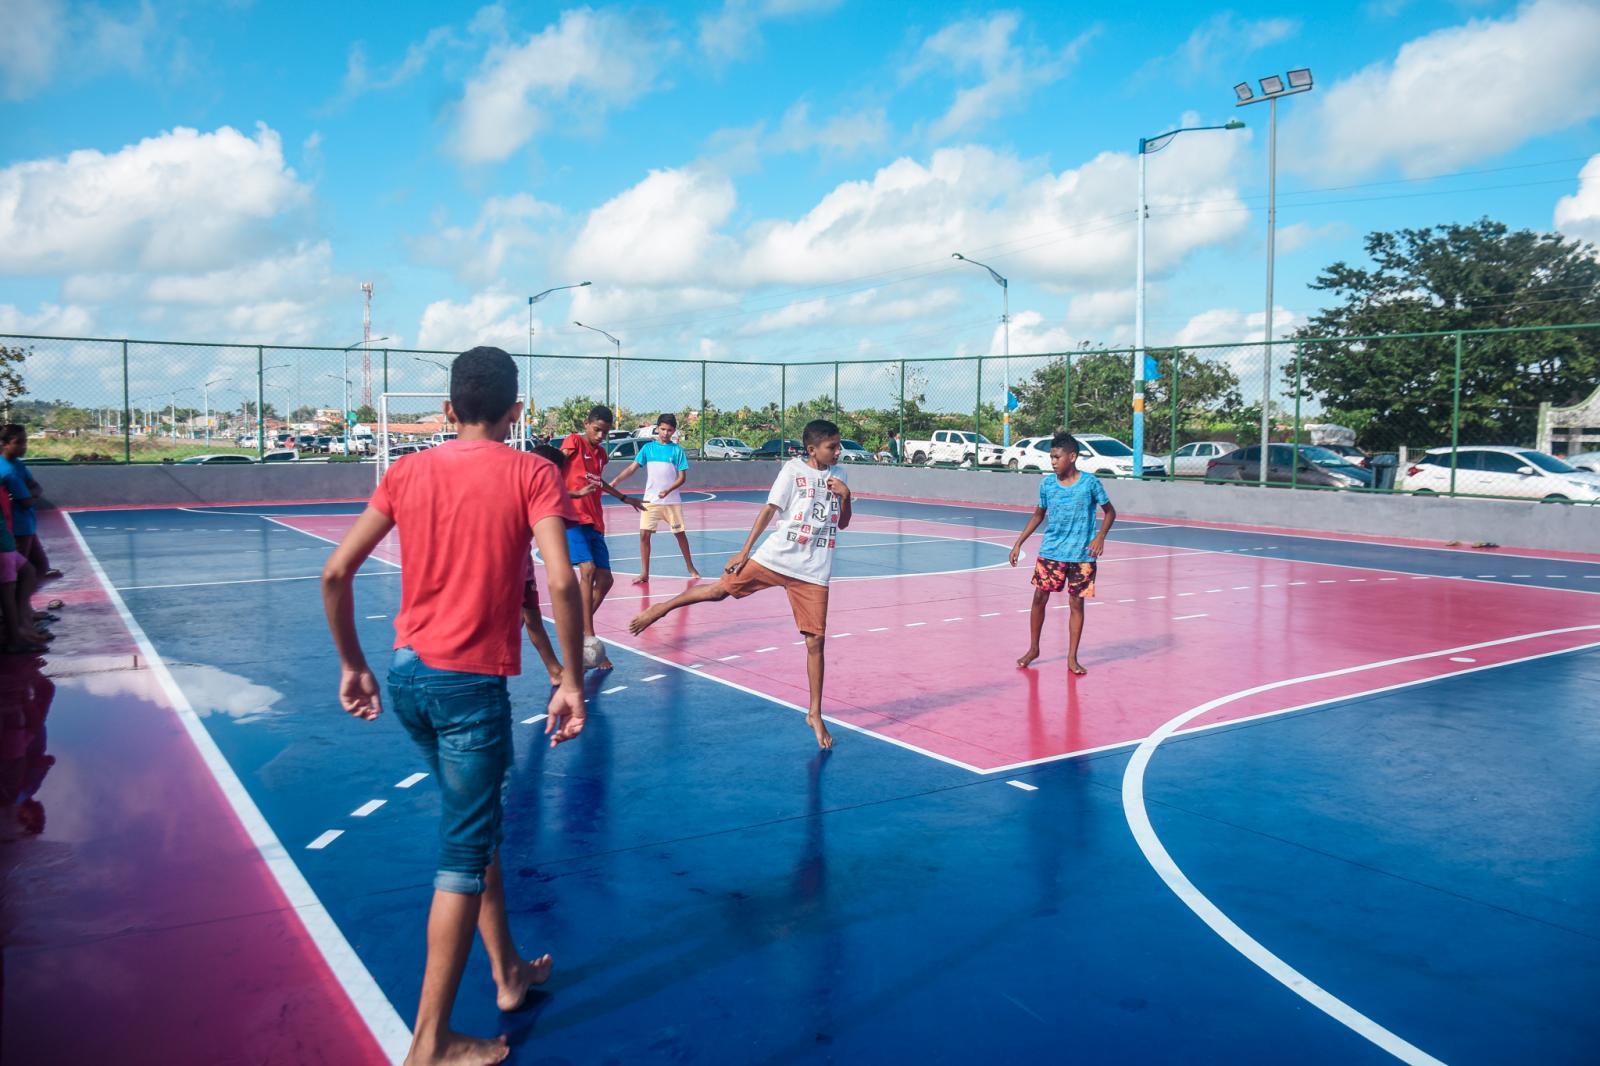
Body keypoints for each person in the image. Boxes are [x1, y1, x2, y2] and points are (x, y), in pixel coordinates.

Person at [321, 346, 587, 1066]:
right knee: (462, 858)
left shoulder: (407, 470)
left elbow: (336, 570)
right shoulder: (532, 471)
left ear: (446, 410)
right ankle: (429, 1042)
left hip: (406, 675)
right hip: (468, 689)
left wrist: (354, 663)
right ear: (516, 412)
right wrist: (566, 679)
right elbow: (562, 583)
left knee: (479, 828)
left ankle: (507, 975)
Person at [629, 419, 851, 749]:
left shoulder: (841, 476)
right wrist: (745, 551)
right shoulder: (792, 471)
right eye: (832, 446)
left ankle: (815, 713)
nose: (838, 451)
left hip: (814, 570)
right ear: (812, 449)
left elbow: (842, 524)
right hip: (776, 556)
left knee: (815, 641)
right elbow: (769, 510)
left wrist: (845, 497)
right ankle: (664, 607)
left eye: (838, 446)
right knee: (719, 591)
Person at [1008, 432, 1116, 675]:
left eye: (1057, 457)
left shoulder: (1090, 483)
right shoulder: (1046, 484)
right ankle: (1034, 648)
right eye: (1051, 457)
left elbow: (1110, 512)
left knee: (1076, 604)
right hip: (1052, 552)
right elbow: (1038, 515)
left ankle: (1072, 657)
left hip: (1082, 555)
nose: (1053, 462)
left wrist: (1100, 537)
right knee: (1038, 599)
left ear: (1072, 456)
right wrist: (1018, 543)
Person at [558, 406, 644, 672]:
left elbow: (598, 482)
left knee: (605, 579)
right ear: (587, 424)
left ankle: (581, 634)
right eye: (597, 430)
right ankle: (588, 639)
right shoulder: (573, 442)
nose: (600, 436)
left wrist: (623, 497)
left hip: (595, 521)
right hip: (574, 518)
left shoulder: (601, 454)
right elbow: (553, 470)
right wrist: (572, 494)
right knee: (588, 570)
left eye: (605, 433)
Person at [608, 413, 700, 584]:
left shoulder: (677, 451)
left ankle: (690, 567)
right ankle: (644, 573)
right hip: (650, 501)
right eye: (663, 429)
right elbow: (632, 468)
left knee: (680, 534)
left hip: (671, 502)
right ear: (657, 428)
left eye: (669, 430)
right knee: (644, 535)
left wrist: (668, 490)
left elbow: (682, 478)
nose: (665, 433)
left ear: (674, 431)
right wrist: (616, 481)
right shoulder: (648, 449)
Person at [521, 443, 571, 686]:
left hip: (522, 564)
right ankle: (558, 670)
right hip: (508, 567)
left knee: (531, 618)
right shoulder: (529, 491)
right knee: (525, 618)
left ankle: (555, 670)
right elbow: (561, 579)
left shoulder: (528, 485)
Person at [0, 426, 55, 582]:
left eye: (25, 441)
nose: (24, 446)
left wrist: (29, 493)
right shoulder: (7, 470)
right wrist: (30, 494)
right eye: (18, 442)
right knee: (19, 571)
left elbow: (35, 487)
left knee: (39, 565)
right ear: (4, 443)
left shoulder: (18, 464)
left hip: (27, 524)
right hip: (17, 527)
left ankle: (23, 604)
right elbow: (26, 502)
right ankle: (17, 604)